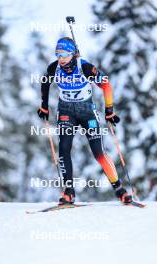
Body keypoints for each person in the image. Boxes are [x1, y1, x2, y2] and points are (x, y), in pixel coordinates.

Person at [37, 37, 133, 205]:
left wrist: (109, 111)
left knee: (99, 152)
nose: (61, 59)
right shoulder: (54, 67)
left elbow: (106, 85)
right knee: (64, 150)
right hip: (66, 111)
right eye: (58, 54)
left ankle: (119, 189)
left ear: (73, 54)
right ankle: (69, 192)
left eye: (64, 55)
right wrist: (44, 106)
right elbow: (45, 83)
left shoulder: (85, 67)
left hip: (87, 112)